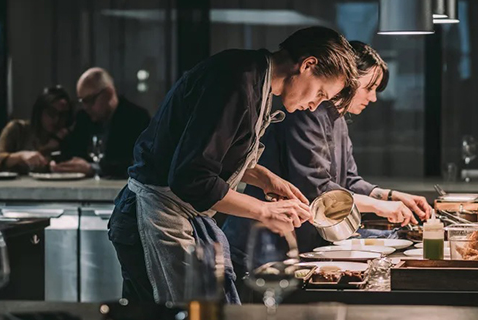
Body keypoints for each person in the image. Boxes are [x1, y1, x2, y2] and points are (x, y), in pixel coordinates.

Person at [108, 26, 359, 305]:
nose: (314, 106)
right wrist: (264, 210)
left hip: (171, 215)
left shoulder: (255, 80)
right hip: (152, 217)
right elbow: (190, 177)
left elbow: (209, 156)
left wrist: (265, 179)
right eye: (321, 94)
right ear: (308, 65)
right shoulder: (235, 80)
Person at [223, 41, 433, 268]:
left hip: (301, 244)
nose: (373, 98)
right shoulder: (307, 110)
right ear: (349, 79)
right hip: (264, 246)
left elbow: (349, 180)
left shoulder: (338, 118)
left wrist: (389, 195)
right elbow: (316, 189)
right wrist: (379, 206)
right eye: (369, 88)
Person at [52, 68, 150, 178]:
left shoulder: (136, 118)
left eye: (89, 100)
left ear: (109, 93)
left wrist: (93, 169)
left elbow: (138, 164)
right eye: (82, 101)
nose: (85, 107)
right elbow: (72, 152)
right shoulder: (83, 118)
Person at [0, 85, 73, 173]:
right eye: (51, 112)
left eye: (62, 115)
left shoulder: (66, 137)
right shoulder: (18, 129)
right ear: (40, 111)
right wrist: (21, 156)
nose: (56, 119)